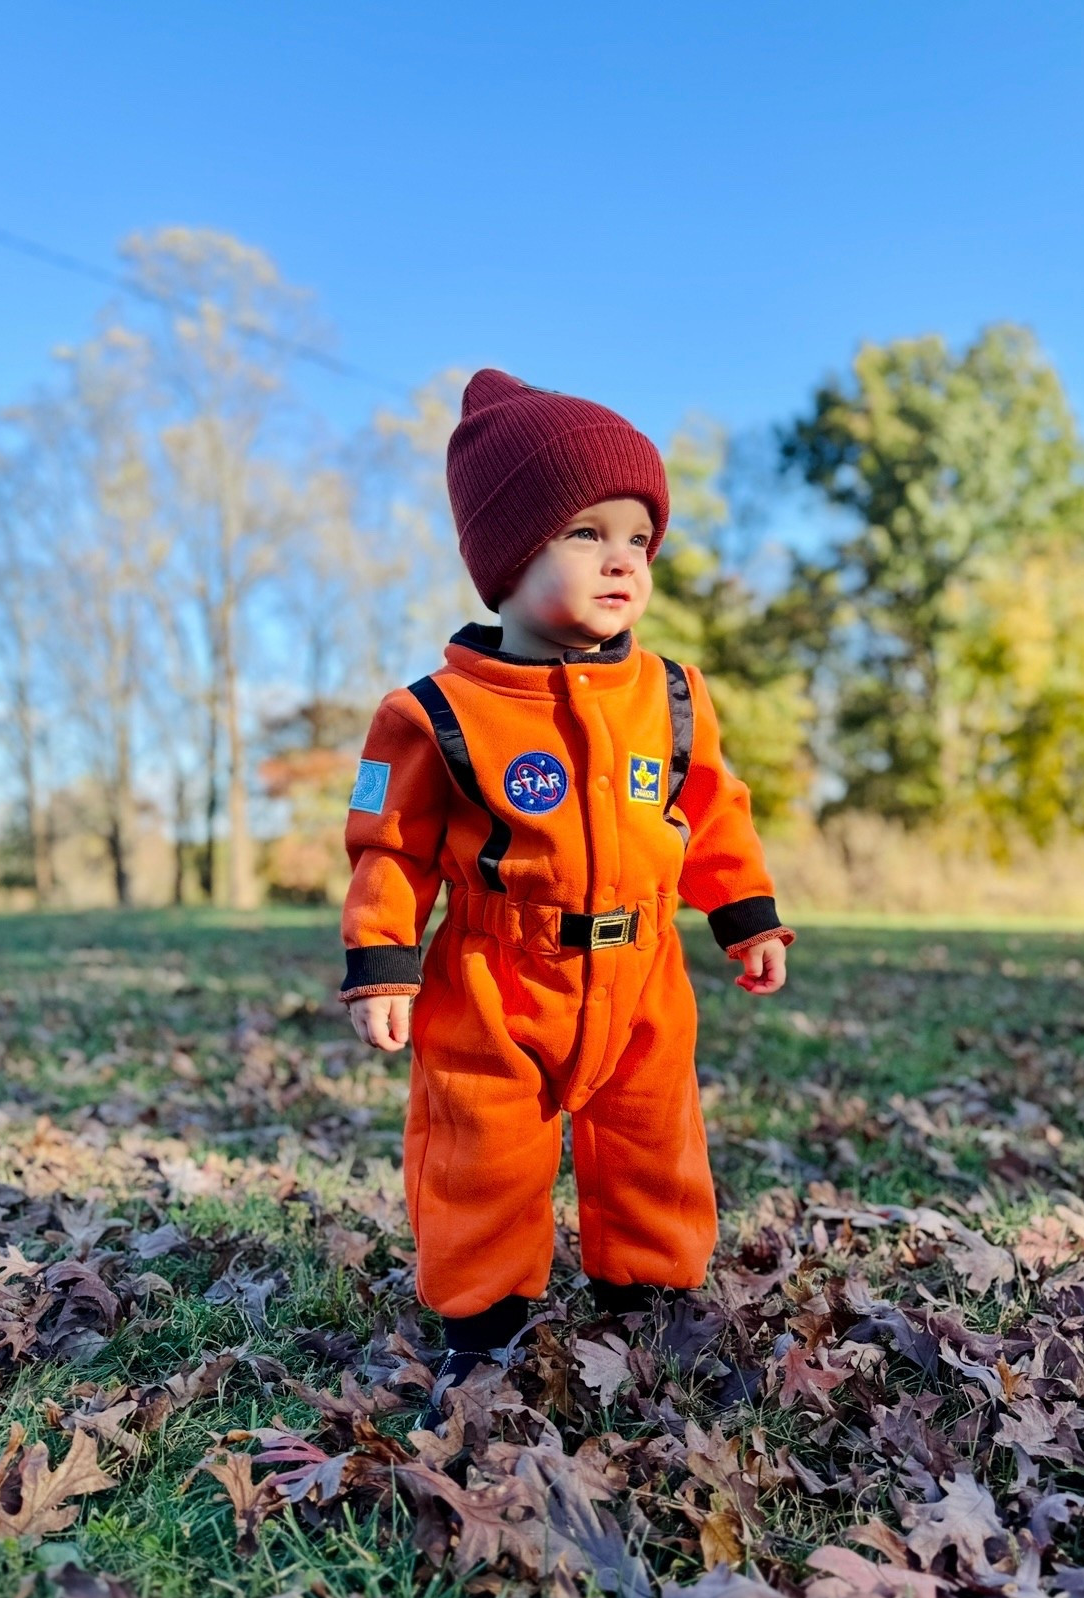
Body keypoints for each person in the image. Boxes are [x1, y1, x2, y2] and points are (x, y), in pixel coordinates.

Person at [339, 369, 794, 1413]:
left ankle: (652, 1293)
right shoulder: (433, 713)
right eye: (588, 532)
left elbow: (714, 813)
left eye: (639, 537)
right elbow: (390, 846)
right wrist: (381, 963)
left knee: (652, 1133)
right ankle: (483, 1323)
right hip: (499, 970)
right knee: (481, 1144)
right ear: (507, 556)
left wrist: (747, 914)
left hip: (643, 968)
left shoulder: (672, 696)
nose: (623, 559)